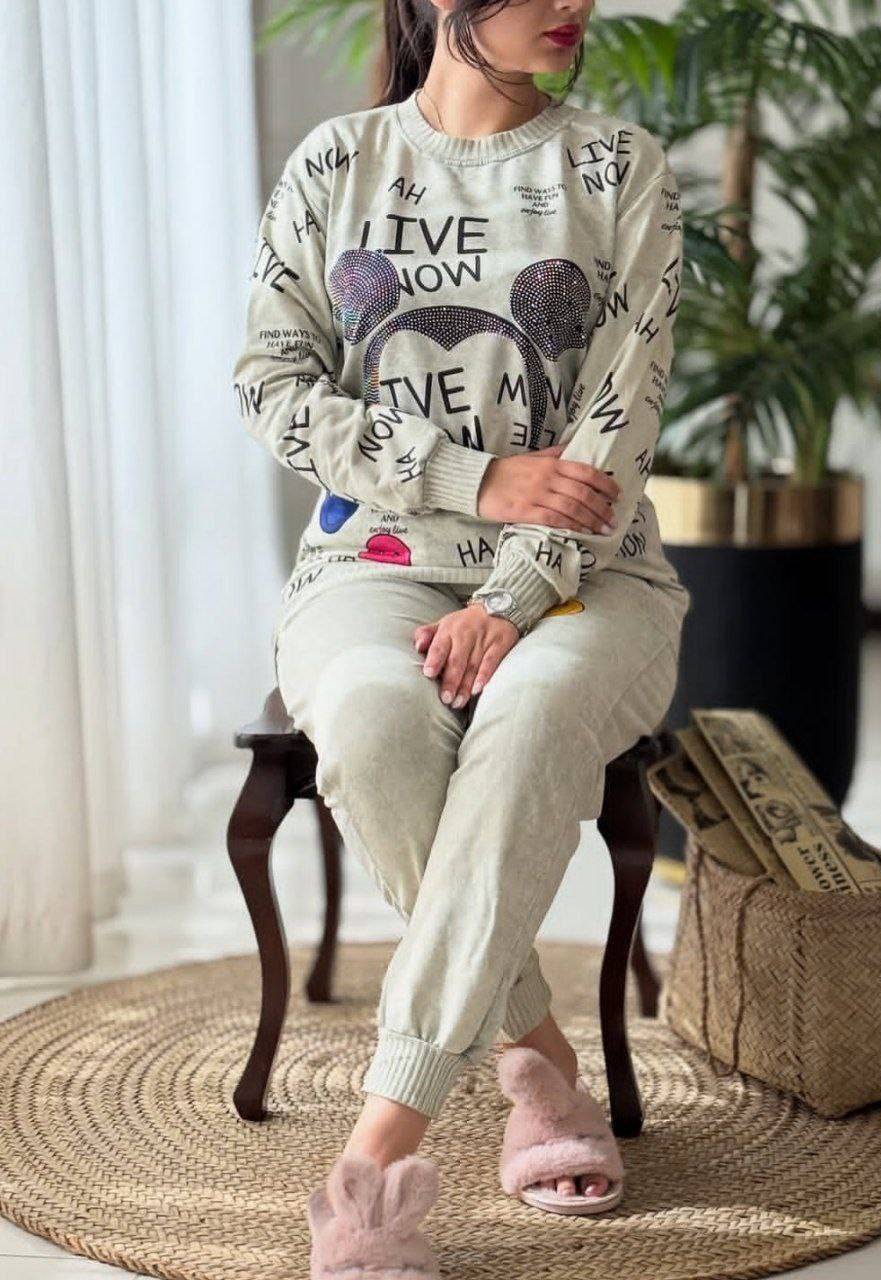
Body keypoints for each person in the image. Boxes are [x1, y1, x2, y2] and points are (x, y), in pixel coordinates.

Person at [232, 0, 690, 1268]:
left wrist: (512, 597)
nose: (574, 5)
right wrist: (469, 477)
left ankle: (379, 1148)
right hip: (371, 558)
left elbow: (621, 415)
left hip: (591, 574)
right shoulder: (340, 161)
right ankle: (534, 1053)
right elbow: (272, 381)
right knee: (374, 722)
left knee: (531, 710)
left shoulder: (617, 167)